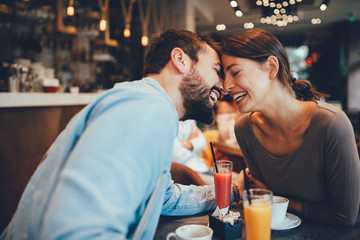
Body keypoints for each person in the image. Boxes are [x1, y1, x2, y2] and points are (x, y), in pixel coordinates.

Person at [1, 29, 244, 240]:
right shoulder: (146, 108)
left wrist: (231, 189)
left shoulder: (150, 108)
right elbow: (78, 228)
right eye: (215, 70)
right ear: (180, 59)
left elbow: (165, 197)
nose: (223, 86)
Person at [222, 29, 360, 226]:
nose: (226, 85)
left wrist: (278, 197)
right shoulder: (244, 129)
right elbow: (263, 199)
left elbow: (344, 217)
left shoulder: (332, 124)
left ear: (271, 67)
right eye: (224, 75)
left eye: (235, 72)